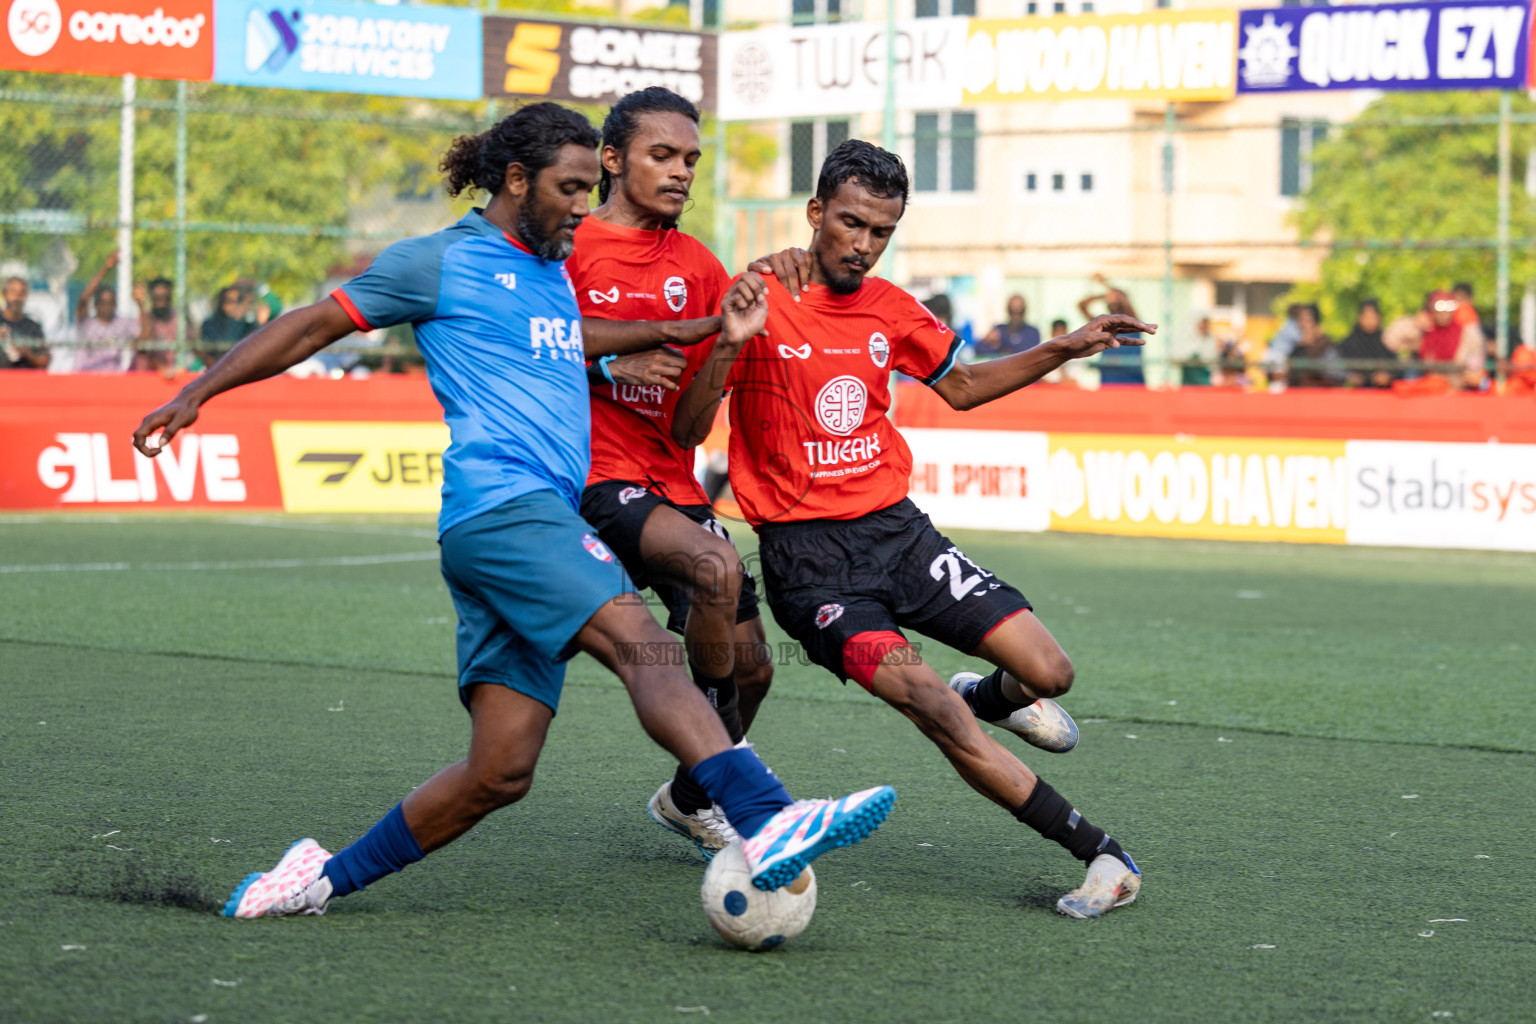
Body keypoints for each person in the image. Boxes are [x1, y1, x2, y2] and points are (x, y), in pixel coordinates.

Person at [130, 102, 893, 921]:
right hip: (507, 509)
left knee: (499, 771)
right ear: (518, 181)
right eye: (569, 188)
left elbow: (566, 332)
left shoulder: (549, 268)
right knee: (642, 643)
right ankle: (764, 814)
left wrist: (705, 324)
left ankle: (315, 880)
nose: (582, 204)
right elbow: (314, 324)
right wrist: (196, 392)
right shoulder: (440, 261)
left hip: (511, 529)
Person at [676, 140, 1150, 919]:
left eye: (881, 231)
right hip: (813, 569)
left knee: (1050, 672)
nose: (862, 244)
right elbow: (694, 426)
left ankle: (994, 694)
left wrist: (1064, 347)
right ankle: (1102, 853)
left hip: (901, 537)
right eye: (851, 223)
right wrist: (730, 336)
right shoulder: (756, 295)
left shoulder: (891, 307)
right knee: (933, 706)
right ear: (816, 213)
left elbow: (961, 387)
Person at [564, 87, 776, 859]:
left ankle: (690, 798)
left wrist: (726, 345)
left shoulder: (699, 266)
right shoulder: (569, 245)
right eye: (662, 155)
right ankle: (729, 781)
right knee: (716, 565)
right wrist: (610, 357)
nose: (681, 171)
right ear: (612, 161)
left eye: (690, 158)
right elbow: (523, 341)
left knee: (754, 674)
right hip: (589, 477)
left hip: (671, 483)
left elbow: (690, 428)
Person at [71, 252, 139, 372]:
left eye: (111, 302)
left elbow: (143, 337)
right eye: (103, 302)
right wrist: (106, 268)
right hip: (86, 376)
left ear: (115, 304)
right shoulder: (86, 323)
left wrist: (141, 305)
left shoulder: (122, 323)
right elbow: (84, 299)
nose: (107, 307)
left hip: (112, 379)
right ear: (96, 305)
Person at [1077, 274, 1143, 384]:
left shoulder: (1133, 323)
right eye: (1110, 302)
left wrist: (1106, 284)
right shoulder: (1102, 324)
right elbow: (1081, 305)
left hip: (1132, 381)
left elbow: (1123, 298)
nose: (1113, 302)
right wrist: (1102, 296)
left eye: (1116, 301)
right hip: (1109, 380)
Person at [1338, 300, 1396, 389]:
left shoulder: (1387, 341)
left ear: (1379, 318)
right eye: (1366, 317)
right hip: (1355, 394)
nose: (1369, 321)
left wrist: (1387, 376)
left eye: (1373, 317)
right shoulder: (1348, 343)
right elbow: (1336, 366)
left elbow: (1398, 367)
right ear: (1359, 318)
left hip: (1382, 394)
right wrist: (1349, 376)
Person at [1287, 304, 1343, 388]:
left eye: (1307, 320)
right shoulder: (1297, 348)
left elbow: (1334, 376)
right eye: (1300, 320)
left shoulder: (1326, 346)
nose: (1302, 325)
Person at [972, 294, 1040, 359]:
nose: (1016, 314)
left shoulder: (1032, 332)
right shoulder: (999, 330)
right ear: (1007, 310)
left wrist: (1004, 352)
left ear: (1025, 310)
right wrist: (986, 340)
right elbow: (979, 349)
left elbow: (1031, 353)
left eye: (1020, 310)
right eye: (1012, 310)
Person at [1, 275, 48, 369]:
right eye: (13, 292)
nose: (17, 298)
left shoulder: (33, 327)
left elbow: (44, 360)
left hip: (25, 380)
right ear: (5, 294)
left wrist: (27, 353)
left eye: (22, 293)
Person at [134, 276, 178, 371]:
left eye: (165, 297)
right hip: (146, 375)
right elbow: (144, 345)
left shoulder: (178, 320)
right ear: (151, 297)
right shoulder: (143, 318)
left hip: (172, 375)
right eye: (157, 298)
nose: (161, 302)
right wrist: (141, 305)